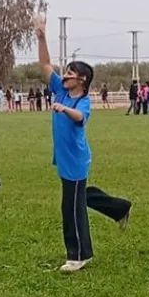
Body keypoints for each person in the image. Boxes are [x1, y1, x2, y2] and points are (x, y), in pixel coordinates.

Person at [35, 17, 131, 273]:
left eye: (70, 73)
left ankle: (79, 255)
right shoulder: (60, 90)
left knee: (71, 207)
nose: (65, 75)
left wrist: (64, 109)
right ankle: (120, 207)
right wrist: (41, 38)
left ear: (82, 80)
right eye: (66, 71)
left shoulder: (82, 101)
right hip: (65, 158)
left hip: (76, 161)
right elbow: (45, 65)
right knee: (78, 197)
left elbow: (80, 117)